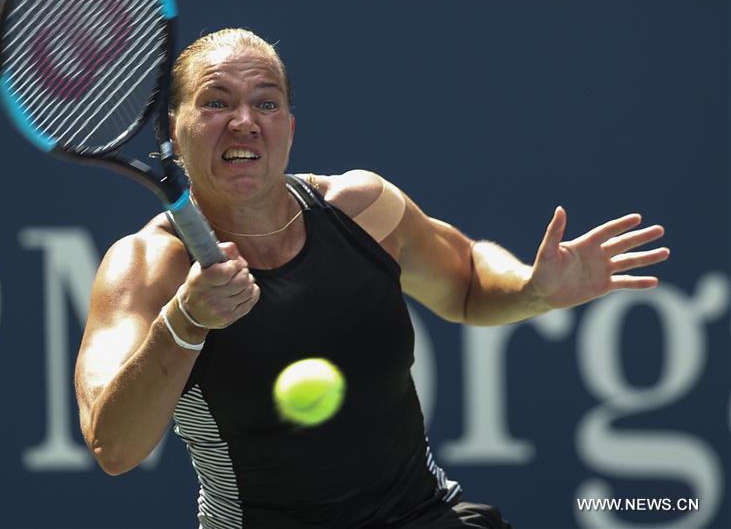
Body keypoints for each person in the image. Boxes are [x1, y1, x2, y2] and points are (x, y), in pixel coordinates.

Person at [74, 28, 669, 528]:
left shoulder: (361, 208)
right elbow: (114, 446)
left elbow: (467, 281)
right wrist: (184, 322)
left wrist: (532, 289)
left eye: (267, 103)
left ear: (290, 129)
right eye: (216, 102)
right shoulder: (147, 267)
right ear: (173, 131)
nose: (245, 122)